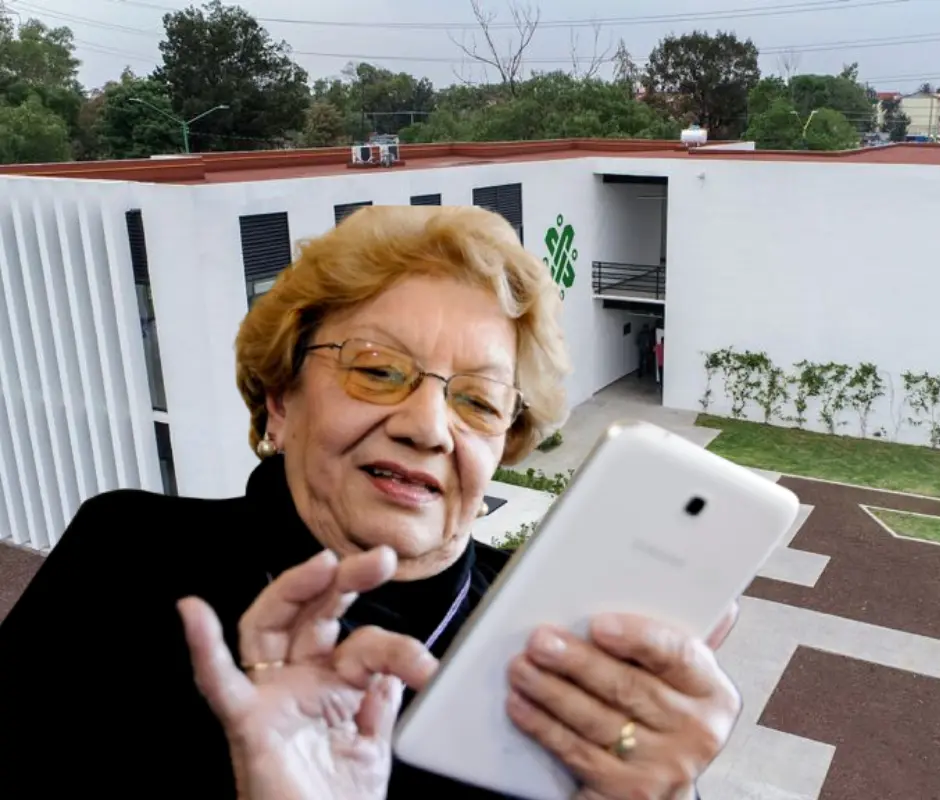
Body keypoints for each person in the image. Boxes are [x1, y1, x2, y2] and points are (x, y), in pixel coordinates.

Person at [0, 206, 741, 799]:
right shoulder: (126, 554)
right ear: (281, 399)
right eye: (378, 370)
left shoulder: (557, 634)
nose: (427, 428)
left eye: (479, 401)